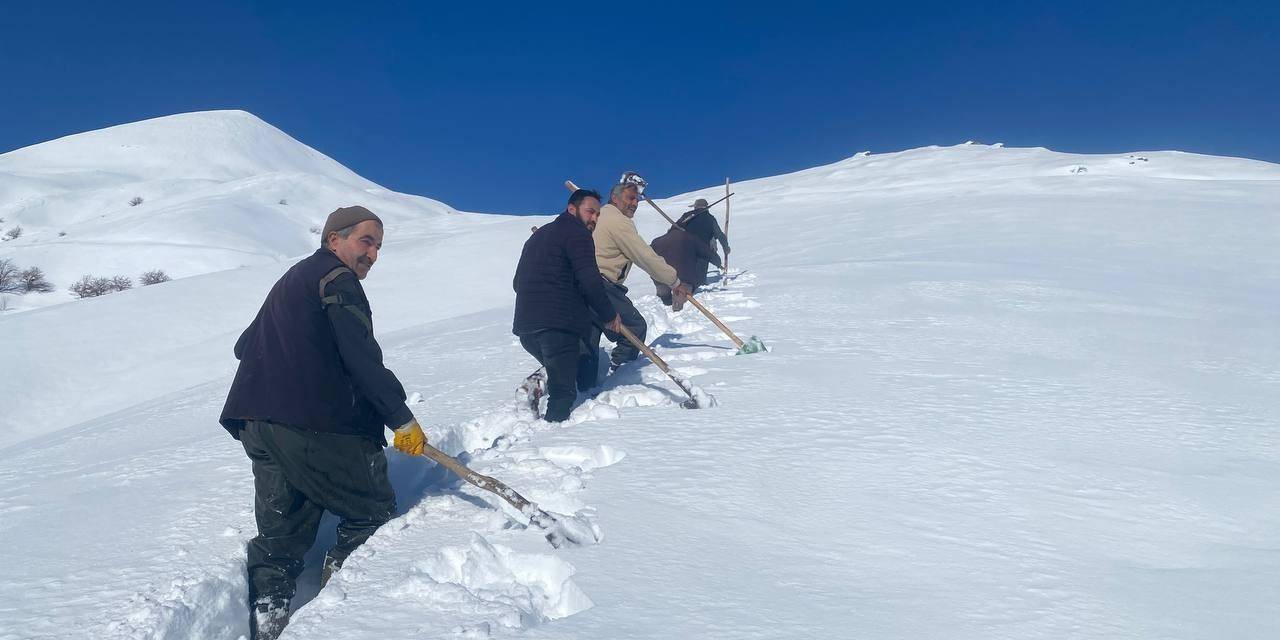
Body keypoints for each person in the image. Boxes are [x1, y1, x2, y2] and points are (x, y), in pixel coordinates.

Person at [219, 206, 428, 640]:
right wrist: (401, 419)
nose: (372, 253)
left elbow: (244, 345)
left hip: (256, 421)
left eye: (378, 246)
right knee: (371, 509)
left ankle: (268, 626)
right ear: (334, 239)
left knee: (281, 538)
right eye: (365, 241)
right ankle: (337, 614)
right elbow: (362, 358)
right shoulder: (337, 280)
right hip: (310, 423)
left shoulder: (294, 278)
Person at [512, 189, 622, 421]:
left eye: (598, 215)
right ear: (572, 209)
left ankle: (536, 385)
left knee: (565, 368)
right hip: (557, 324)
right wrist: (609, 314)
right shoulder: (577, 234)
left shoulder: (537, 237)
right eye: (590, 212)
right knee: (564, 393)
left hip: (526, 327)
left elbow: (517, 283)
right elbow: (590, 280)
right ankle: (552, 436)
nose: (594, 219)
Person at [588, 182, 690, 383]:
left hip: (582, 284)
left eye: (636, 200)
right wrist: (674, 281)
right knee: (634, 327)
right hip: (602, 285)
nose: (634, 204)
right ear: (614, 198)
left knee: (587, 343)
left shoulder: (600, 217)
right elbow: (644, 256)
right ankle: (618, 376)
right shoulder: (617, 220)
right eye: (630, 198)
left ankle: (562, 381)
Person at [650, 225, 723, 309]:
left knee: (663, 296)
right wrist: (718, 262)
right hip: (683, 277)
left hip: (661, 276)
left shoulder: (657, 241)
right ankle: (677, 308)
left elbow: (646, 256)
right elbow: (706, 252)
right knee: (681, 296)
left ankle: (665, 300)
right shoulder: (690, 238)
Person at [676, 198, 731, 285]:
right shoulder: (710, 219)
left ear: (695, 207)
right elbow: (719, 234)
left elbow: (675, 228)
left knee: (686, 275)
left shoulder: (687, 215)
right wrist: (725, 247)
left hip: (687, 249)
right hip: (703, 251)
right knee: (700, 280)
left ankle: (685, 288)